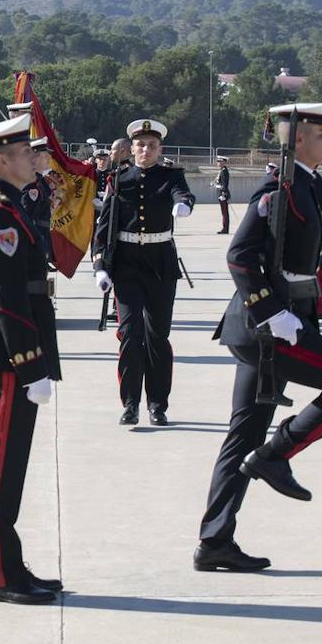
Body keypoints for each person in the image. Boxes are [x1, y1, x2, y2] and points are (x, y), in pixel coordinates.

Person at [196, 102, 322, 572]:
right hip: (268, 329)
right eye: (320, 133)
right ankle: (278, 455)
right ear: (296, 138)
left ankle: (214, 540)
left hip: (283, 324)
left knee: (242, 436)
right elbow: (240, 256)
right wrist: (271, 312)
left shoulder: (307, 186)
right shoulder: (280, 188)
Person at [0, 111, 62, 605]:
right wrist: (30, 363)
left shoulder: (11, 201)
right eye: (25, 152)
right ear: (3, 159)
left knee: (12, 465)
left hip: (21, 342)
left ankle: (12, 564)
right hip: (10, 350)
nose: (34, 158)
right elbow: (7, 294)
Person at [93, 119, 195, 426]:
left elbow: (182, 193)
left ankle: (157, 404)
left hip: (160, 265)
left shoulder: (171, 175)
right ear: (131, 148)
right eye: (140, 145)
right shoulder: (119, 178)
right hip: (126, 266)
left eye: (152, 145)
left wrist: (184, 205)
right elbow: (105, 226)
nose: (146, 150)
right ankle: (130, 403)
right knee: (129, 334)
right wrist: (100, 266)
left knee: (157, 337)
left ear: (159, 148)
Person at [22, 137, 54, 260]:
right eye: (45, 156)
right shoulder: (31, 183)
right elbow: (28, 215)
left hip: (43, 235)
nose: (49, 159)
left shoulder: (40, 181)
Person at [214, 155, 231, 235]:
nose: (218, 163)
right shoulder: (221, 171)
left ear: (223, 162)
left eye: (219, 161)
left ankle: (225, 228)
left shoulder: (224, 171)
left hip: (222, 194)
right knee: (223, 212)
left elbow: (225, 184)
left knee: (224, 212)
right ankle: (224, 228)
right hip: (220, 193)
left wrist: (223, 194)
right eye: (218, 161)